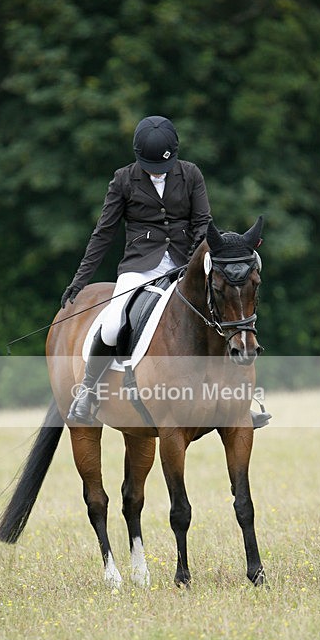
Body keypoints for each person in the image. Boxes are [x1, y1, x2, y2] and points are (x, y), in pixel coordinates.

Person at [61, 115, 211, 424]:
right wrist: (80, 280)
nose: (157, 174)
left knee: (219, 313)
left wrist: (194, 262)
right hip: (140, 265)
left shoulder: (191, 174)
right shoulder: (123, 180)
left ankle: (232, 401)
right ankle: (88, 392)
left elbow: (202, 223)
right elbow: (103, 233)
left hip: (185, 262)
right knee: (115, 323)